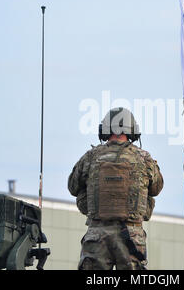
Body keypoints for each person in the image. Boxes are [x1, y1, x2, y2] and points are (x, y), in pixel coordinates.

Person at [68, 107, 163, 270]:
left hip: (97, 236)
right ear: (133, 130)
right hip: (131, 238)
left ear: (105, 129)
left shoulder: (91, 157)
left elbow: (73, 187)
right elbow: (156, 188)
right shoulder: (144, 158)